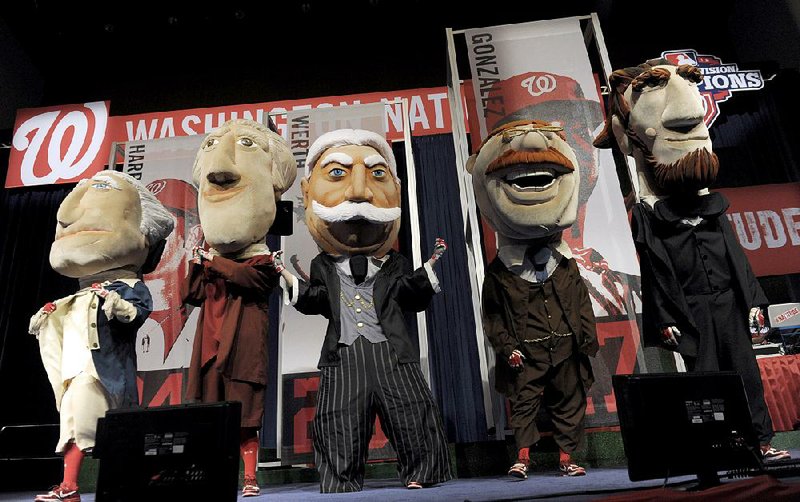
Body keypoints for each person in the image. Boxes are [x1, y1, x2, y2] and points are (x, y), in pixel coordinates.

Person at [593, 58, 790, 461]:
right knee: (705, 380)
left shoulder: (714, 208)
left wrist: (753, 301)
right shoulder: (652, 216)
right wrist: (664, 317)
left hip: (728, 303)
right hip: (691, 308)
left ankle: (761, 442)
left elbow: (736, 256)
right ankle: (718, 447)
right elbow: (656, 269)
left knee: (745, 373)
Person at [284, 128, 452, 493]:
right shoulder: (323, 266)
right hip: (343, 354)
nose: (359, 191)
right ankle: (341, 479)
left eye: (377, 174)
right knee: (338, 417)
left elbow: (408, 295)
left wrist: (427, 273)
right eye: (338, 174)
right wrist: (288, 278)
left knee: (412, 410)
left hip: (391, 350)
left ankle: (422, 471)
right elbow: (317, 301)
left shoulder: (394, 264)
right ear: (308, 192)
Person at [29, 170, 174, 502]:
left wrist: (117, 305)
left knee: (82, 423)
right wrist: (48, 317)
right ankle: (84, 485)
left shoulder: (129, 287)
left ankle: (70, 486)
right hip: (75, 371)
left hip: (101, 373)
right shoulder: (78, 295)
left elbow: (137, 313)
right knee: (84, 425)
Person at [466, 119, 598, 478]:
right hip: (528, 349)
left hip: (566, 344)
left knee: (569, 403)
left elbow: (581, 302)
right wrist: (506, 345)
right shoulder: (501, 270)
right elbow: (492, 314)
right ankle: (522, 455)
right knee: (524, 403)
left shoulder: (565, 264)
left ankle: (567, 457)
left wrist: (586, 339)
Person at [181, 118, 297, 497]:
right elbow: (192, 294)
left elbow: (250, 281)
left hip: (243, 351)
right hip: (210, 348)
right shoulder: (217, 262)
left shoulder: (262, 262)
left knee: (245, 417)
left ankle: (250, 478)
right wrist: (199, 261)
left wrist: (214, 262)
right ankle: (208, 476)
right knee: (209, 415)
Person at [482, 71, 641, 319]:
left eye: (577, 125)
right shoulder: (506, 280)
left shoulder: (627, 261)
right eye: (544, 130)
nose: (570, 142)